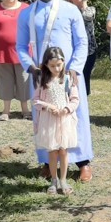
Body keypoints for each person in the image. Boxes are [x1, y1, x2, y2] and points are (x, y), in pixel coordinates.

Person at [17, 0, 94, 182]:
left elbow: (81, 42)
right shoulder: (27, 14)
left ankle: (83, 162)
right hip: (41, 77)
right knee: (45, 118)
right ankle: (47, 162)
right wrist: (31, 68)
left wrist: (75, 69)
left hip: (68, 76)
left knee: (74, 116)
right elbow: (21, 46)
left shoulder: (70, 10)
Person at [33, 46, 80, 196]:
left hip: (64, 120)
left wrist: (66, 109)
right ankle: (53, 180)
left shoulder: (67, 79)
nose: (56, 68)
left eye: (59, 65)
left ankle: (63, 180)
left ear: (63, 62)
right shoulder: (42, 80)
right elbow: (36, 100)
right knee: (53, 151)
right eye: (52, 66)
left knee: (63, 151)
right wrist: (48, 107)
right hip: (49, 121)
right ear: (46, 65)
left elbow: (75, 99)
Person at [64, 0, 98, 95]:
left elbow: (88, 16)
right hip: (72, 49)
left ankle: (84, 101)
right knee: (71, 76)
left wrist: (83, 3)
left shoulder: (90, 9)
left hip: (89, 50)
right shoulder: (67, 11)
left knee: (85, 75)